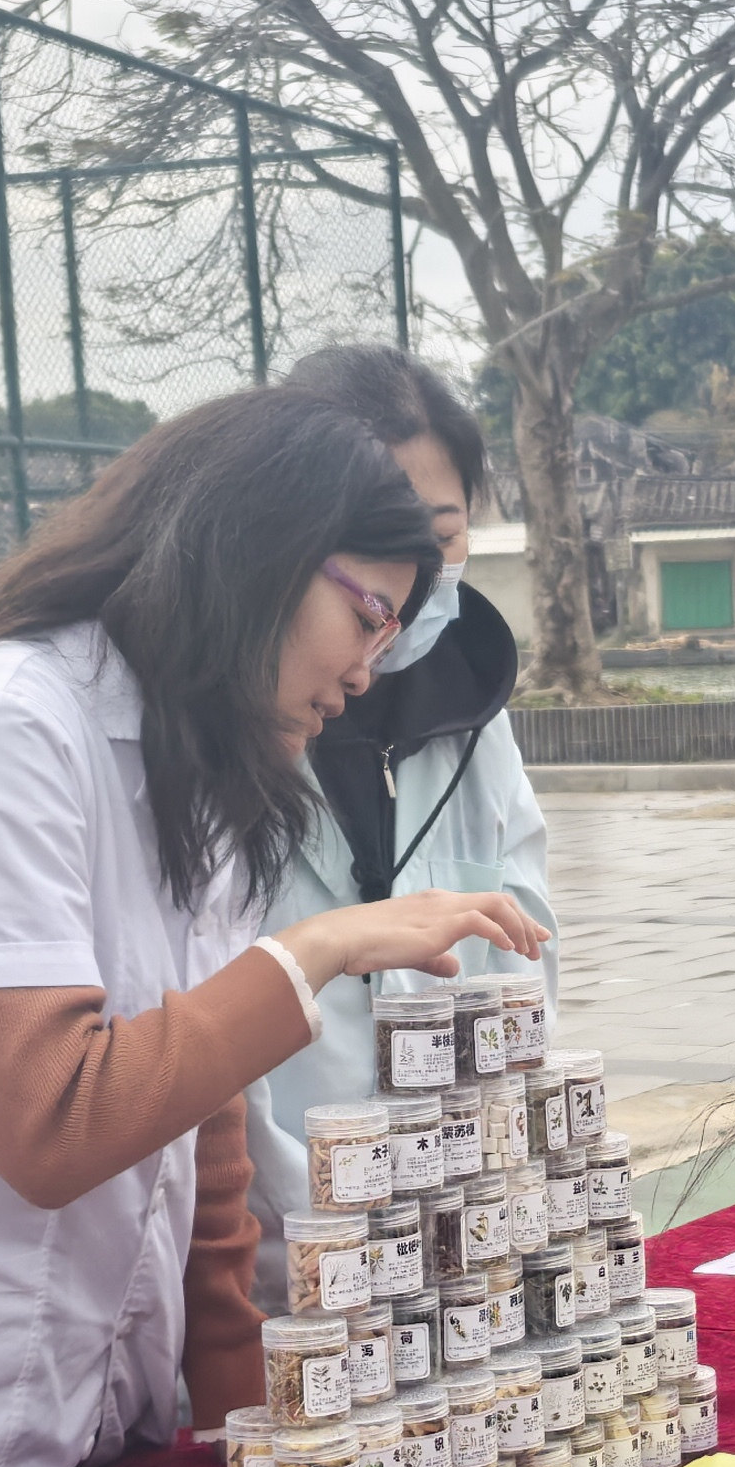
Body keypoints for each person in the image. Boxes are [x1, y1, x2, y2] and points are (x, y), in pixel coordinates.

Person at [0, 389, 547, 1467]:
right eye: (367, 617)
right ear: (254, 556)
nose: (370, 669)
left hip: (104, 1425)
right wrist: (320, 948)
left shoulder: (207, 763)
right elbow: (54, 1125)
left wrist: (246, 1422)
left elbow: (207, 1128)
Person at [246, 344, 553, 1259]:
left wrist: (493, 1205)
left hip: (456, 1242)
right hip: (277, 1249)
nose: (411, 584)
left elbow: (526, 975)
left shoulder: (473, 714)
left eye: (440, 538)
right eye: (379, 543)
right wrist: (318, 1237)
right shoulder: (224, 736)